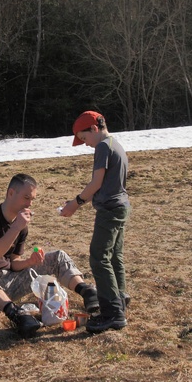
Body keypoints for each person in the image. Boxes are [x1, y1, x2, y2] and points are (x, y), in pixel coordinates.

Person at [0, 173, 100, 337]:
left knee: (57, 256)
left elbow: (13, 262)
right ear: (11, 193)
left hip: (11, 280)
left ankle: (87, 292)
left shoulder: (22, 225)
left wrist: (29, 261)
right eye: (26, 197)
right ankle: (13, 313)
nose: (29, 204)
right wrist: (16, 228)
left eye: (32, 199)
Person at [60, 111, 130, 333]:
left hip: (109, 209)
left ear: (94, 129)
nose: (85, 144)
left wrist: (75, 203)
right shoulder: (115, 144)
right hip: (121, 207)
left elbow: (96, 182)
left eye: (84, 138)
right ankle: (119, 298)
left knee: (99, 257)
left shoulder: (102, 147)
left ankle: (112, 314)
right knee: (113, 255)